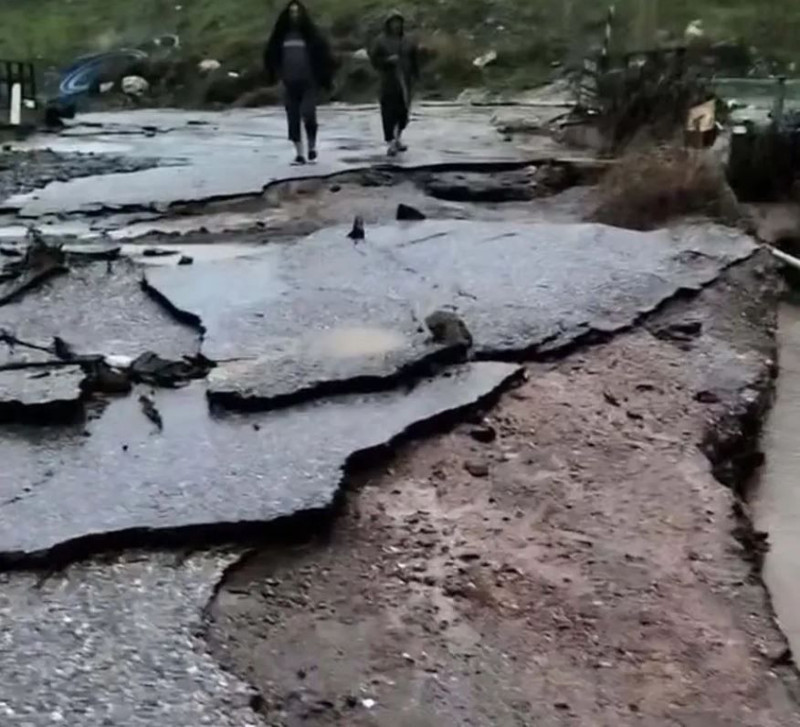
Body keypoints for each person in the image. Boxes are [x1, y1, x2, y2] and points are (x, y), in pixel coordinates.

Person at [264, 0, 334, 164]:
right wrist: (274, 76)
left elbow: (324, 57)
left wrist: (325, 80)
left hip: (309, 83)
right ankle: (299, 154)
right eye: (291, 12)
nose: (294, 15)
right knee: (293, 118)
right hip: (289, 83)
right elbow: (270, 56)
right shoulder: (280, 37)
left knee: (309, 114)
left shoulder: (311, 36)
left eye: (297, 12)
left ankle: (311, 146)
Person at [370, 10, 420, 157]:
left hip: (405, 82)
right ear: (388, 24)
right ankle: (391, 141)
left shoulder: (408, 41)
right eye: (393, 22)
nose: (396, 25)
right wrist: (387, 61)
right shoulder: (380, 41)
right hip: (388, 82)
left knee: (403, 113)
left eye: (398, 22)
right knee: (388, 113)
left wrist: (416, 76)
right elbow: (374, 60)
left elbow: (414, 60)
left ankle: (398, 138)